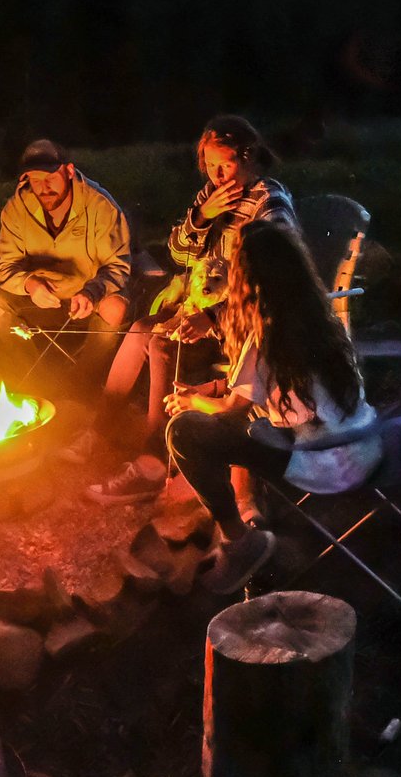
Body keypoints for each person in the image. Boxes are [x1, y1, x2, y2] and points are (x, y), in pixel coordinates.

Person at [163, 220, 382, 594]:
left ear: (247, 280)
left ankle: (242, 544)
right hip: (363, 447)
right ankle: (247, 507)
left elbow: (233, 407)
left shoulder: (266, 330)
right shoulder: (322, 312)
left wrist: (192, 399)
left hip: (320, 462)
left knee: (184, 432)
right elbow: (261, 386)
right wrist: (212, 389)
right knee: (244, 421)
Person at [86, 115, 294, 498]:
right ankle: (98, 431)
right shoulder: (209, 198)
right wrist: (202, 217)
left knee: (162, 343)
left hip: (245, 326)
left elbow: (276, 283)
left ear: (248, 157)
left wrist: (214, 316)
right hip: (202, 308)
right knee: (140, 330)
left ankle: (157, 459)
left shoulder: (270, 204)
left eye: (225, 164)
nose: (216, 174)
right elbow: (178, 254)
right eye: (210, 165)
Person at [0, 139, 131, 378]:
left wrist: (92, 292)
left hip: (89, 300)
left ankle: (82, 387)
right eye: (35, 180)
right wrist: (30, 284)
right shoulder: (16, 209)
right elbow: (5, 266)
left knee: (115, 308)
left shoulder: (100, 205)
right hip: (42, 299)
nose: (44, 187)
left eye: (50, 177)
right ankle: (31, 384)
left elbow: (116, 266)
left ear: (68, 171)